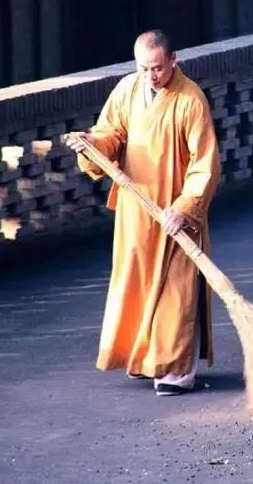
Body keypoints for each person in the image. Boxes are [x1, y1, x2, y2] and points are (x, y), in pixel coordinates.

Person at [65, 30, 220, 396]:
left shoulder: (190, 99)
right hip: (137, 208)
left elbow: (205, 165)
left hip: (173, 210)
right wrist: (92, 145)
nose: (151, 75)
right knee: (135, 283)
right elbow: (110, 134)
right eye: (143, 68)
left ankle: (176, 369)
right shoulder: (126, 90)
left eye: (157, 68)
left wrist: (185, 208)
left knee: (177, 291)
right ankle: (143, 357)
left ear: (173, 60)